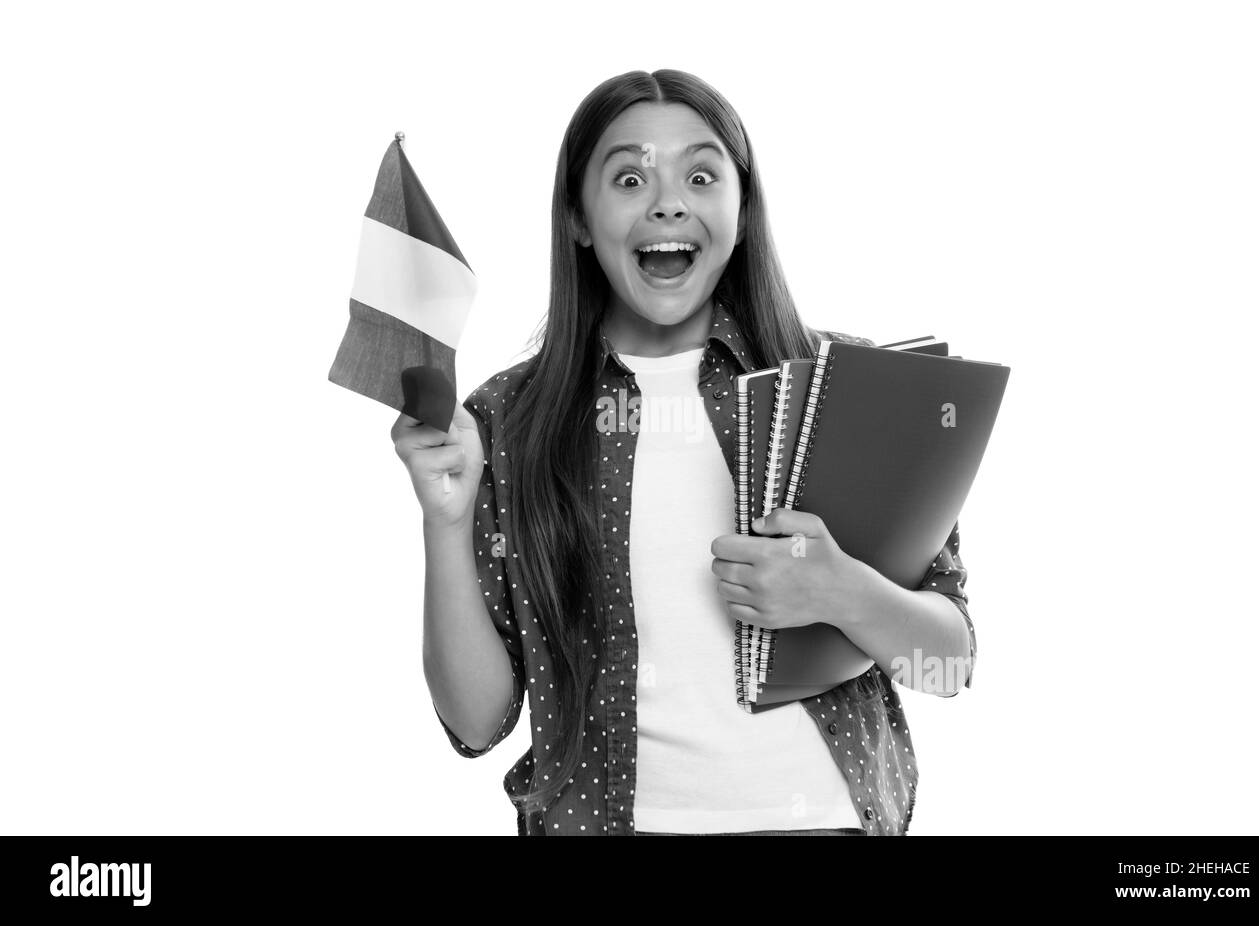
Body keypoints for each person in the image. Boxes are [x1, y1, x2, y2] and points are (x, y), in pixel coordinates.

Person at [390, 69, 976, 836]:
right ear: (578, 216)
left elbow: (950, 664)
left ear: (742, 208)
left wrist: (842, 593)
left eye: (701, 174)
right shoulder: (508, 421)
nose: (667, 200)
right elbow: (475, 722)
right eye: (629, 177)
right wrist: (445, 520)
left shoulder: (845, 388)